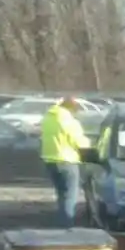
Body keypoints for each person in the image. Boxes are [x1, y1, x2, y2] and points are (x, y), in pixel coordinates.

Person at [39, 96, 89, 225]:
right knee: (70, 196)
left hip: (50, 160)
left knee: (61, 195)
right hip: (67, 161)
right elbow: (79, 141)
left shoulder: (48, 118)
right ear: (72, 109)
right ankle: (67, 226)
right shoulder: (69, 121)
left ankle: (61, 223)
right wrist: (91, 151)